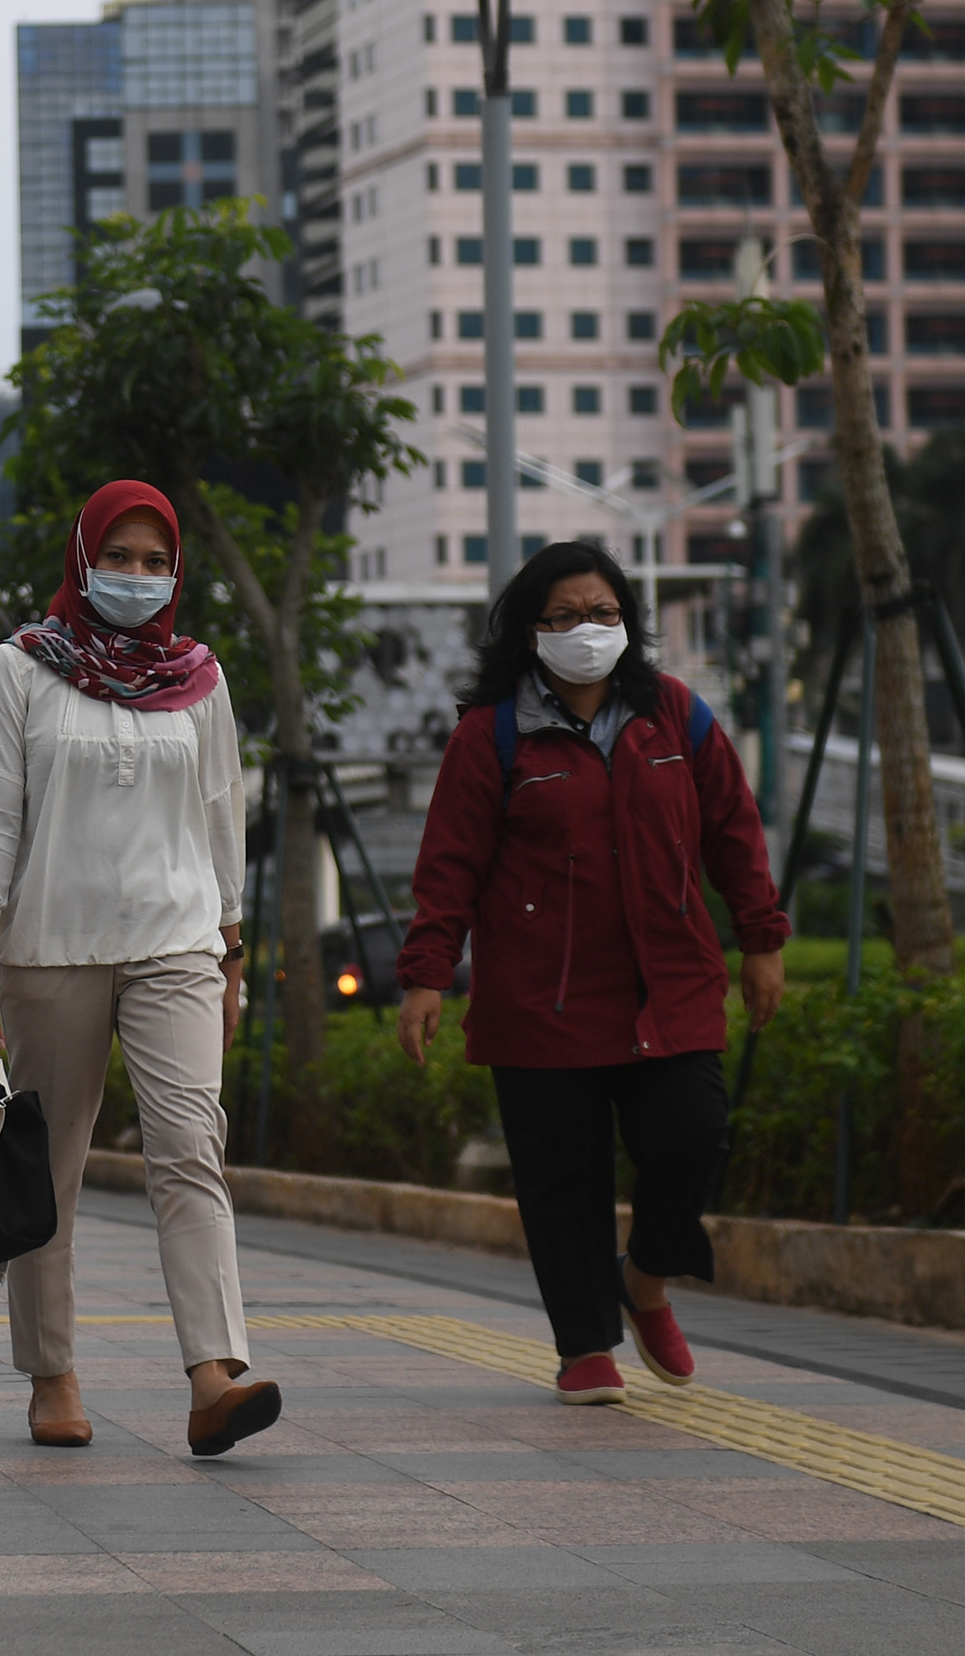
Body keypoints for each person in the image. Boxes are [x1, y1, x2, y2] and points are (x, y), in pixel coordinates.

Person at [397, 541, 788, 1405]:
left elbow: (735, 829)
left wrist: (762, 939)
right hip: (542, 999)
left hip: (672, 983)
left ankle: (644, 1279)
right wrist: (426, 974)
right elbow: (449, 864)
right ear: (530, 630)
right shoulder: (491, 733)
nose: (588, 629)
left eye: (605, 613)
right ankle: (584, 1343)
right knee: (561, 1176)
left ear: (630, 623)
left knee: (692, 1136)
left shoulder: (677, 716)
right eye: (566, 615)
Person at [0, 479, 276, 1460]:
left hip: (177, 942)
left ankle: (213, 1372)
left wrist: (233, 956)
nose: (137, 576)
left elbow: (223, 821)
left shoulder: (200, 679)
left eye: (155, 560)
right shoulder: (20, 669)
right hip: (50, 946)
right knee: (49, 1171)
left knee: (189, 1147)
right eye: (119, 557)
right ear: (84, 561)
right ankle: (51, 1371)